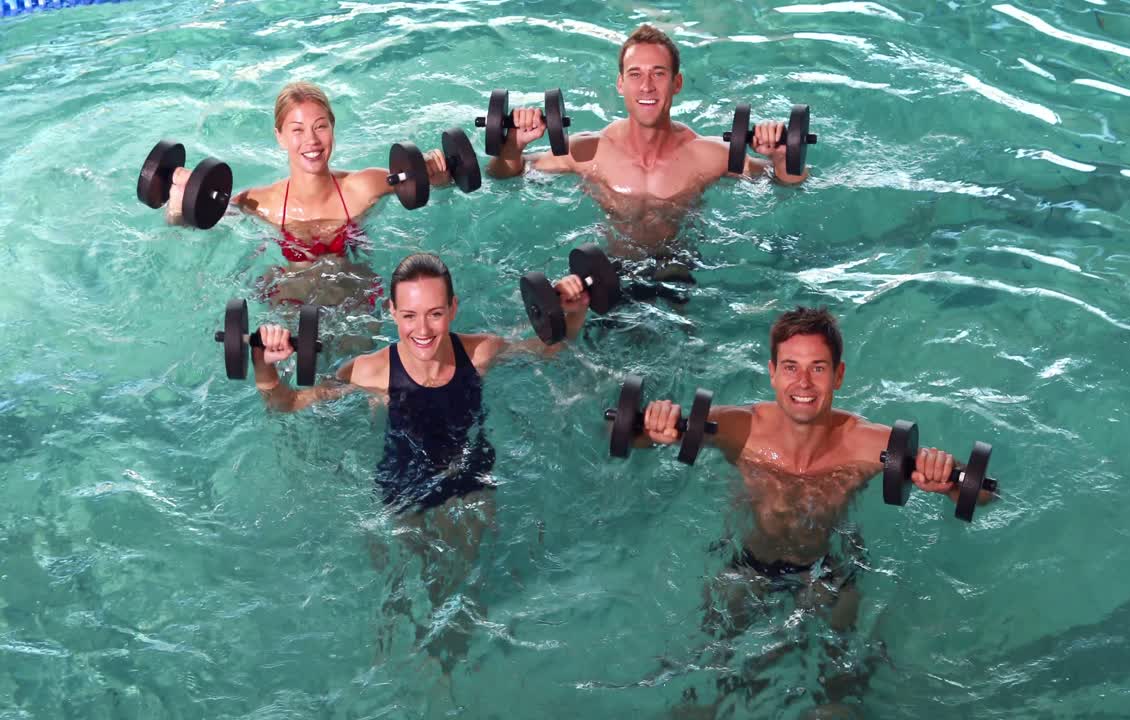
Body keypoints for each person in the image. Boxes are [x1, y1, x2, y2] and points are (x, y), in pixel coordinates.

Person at [633, 306, 996, 712]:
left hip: (829, 572)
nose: (803, 382)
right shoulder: (737, 428)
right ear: (772, 372)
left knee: (838, 694)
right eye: (790, 367)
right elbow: (634, 436)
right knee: (705, 679)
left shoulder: (866, 443)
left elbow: (981, 494)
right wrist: (655, 425)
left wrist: (945, 475)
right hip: (748, 565)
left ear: (838, 375)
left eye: (818, 368)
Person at [250, 251, 589, 671]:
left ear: (453, 309)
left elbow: (548, 349)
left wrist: (573, 313)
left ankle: (452, 668)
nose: (422, 329)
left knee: (461, 590)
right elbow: (287, 403)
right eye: (409, 315)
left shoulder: (481, 352)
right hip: (402, 487)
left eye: (434, 314)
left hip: (470, 480)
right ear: (391, 312)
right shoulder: (368, 371)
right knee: (401, 593)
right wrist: (264, 366)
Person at [486, 25, 810, 286]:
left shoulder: (706, 155)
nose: (646, 86)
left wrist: (781, 156)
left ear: (676, 83)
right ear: (620, 83)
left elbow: (786, 184)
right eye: (635, 74)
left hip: (679, 269)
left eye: (658, 73)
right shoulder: (590, 151)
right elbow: (504, 174)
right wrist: (513, 144)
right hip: (609, 273)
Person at [166, 82, 456, 311]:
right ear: (279, 136)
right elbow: (196, 222)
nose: (312, 141)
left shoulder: (365, 186)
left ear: (332, 127)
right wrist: (177, 209)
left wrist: (441, 176)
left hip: (355, 302)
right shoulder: (259, 202)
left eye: (320, 126)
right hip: (291, 304)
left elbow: (424, 184)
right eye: (297, 130)